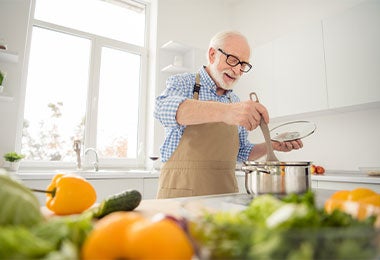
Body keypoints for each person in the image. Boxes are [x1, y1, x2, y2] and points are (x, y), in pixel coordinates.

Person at [154, 30, 303, 199]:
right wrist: (226, 111)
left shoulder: (235, 100)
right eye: (233, 60)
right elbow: (162, 110)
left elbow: (242, 153)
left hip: (224, 198)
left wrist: (272, 144)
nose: (238, 70)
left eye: (243, 65)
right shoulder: (183, 83)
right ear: (212, 55)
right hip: (180, 198)